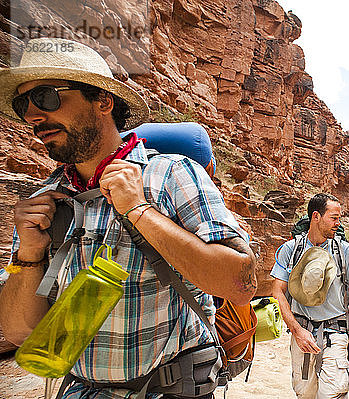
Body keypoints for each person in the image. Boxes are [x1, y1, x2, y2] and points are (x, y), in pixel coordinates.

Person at [0, 37, 257, 398]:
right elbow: (19, 333)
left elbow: (240, 286)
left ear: (103, 100)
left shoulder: (170, 174)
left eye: (45, 97)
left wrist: (140, 210)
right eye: (22, 103)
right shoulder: (45, 201)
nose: (32, 115)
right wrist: (27, 254)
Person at [271, 193, 349, 399]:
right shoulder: (290, 249)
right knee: (305, 394)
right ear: (316, 216)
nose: (338, 223)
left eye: (339, 218)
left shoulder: (344, 251)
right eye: (334, 218)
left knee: (332, 394)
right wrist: (297, 331)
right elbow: (277, 291)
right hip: (302, 335)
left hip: (336, 332)